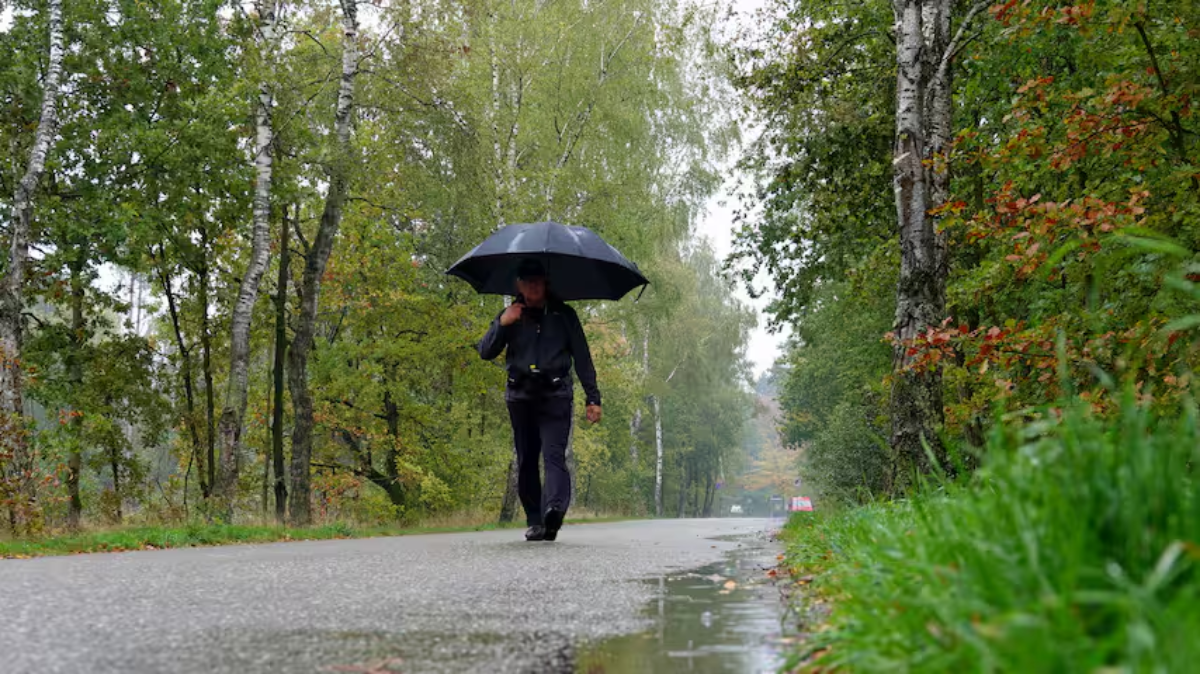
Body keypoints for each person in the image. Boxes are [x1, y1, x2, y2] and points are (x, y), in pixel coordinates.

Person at [477, 259, 602, 542]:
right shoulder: (509, 315)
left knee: (554, 456)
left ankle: (554, 511)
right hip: (520, 397)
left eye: (537, 280)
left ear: (546, 283)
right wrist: (501, 323)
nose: (532, 285)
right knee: (526, 459)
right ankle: (535, 519)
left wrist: (593, 398)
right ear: (518, 285)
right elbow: (485, 351)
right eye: (526, 280)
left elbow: (582, 358)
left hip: (555, 395)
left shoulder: (564, 315)